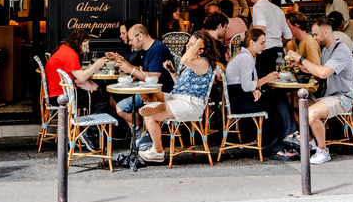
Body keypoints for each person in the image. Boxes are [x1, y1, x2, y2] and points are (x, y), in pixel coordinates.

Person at [137, 31, 218, 162]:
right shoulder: (191, 64)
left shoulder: (203, 63)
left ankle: (157, 151)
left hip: (190, 104)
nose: (187, 46)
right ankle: (155, 114)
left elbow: (185, 58)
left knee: (149, 116)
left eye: (191, 45)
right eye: (188, 43)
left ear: (200, 49)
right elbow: (180, 84)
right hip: (178, 97)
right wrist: (172, 71)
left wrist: (199, 42)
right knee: (149, 93)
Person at [285, 17, 353, 164]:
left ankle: (323, 151)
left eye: (316, 35)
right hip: (326, 95)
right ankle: (310, 142)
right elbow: (319, 73)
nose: (314, 38)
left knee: (311, 113)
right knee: (291, 101)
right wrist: (302, 66)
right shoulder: (326, 50)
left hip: (341, 97)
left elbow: (323, 73)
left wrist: (301, 59)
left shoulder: (340, 51)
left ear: (326, 32)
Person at [225, 28, 299, 161]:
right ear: (251, 42)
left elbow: (247, 83)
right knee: (277, 100)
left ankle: (283, 140)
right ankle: (282, 141)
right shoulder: (246, 58)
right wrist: (267, 78)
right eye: (261, 43)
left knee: (276, 100)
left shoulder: (246, 56)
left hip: (239, 98)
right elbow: (246, 85)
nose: (264, 46)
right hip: (240, 101)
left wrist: (256, 89)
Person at [44, 29, 110, 151]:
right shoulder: (70, 54)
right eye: (84, 45)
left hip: (58, 93)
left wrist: (88, 83)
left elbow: (75, 77)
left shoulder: (64, 49)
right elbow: (81, 76)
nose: (85, 49)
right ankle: (89, 131)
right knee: (101, 99)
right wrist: (96, 65)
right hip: (62, 97)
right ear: (77, 43)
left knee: (97, 94)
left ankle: (88, 130)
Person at [114, 24, 173, 130]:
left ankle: (141, 128)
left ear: (140, 36)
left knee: (120, 108)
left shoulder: (158, 49)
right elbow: (143, 71)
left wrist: (130, 70)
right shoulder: (148, 50)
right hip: (146, 92)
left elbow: (154, 77)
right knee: (113, 97)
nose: (130, 42)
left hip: (158, 93)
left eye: (131, 39)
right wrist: (126, 64)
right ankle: (140, 129)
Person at [248, 0, 292, 77]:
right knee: (278, 84)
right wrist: (277, 42)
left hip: (265, 52)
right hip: (279, 52)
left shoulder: (258, 6)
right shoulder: (278, 9)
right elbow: (288, 35)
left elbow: (261, 27)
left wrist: (247, 34)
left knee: (265, 85)